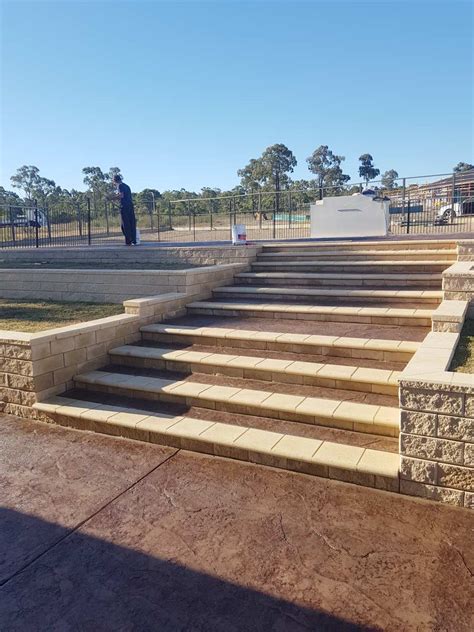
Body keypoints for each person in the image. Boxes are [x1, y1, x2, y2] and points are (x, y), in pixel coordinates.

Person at [113, 174, 137, 245]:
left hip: (124, 207)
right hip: (130, 206)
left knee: (125, 224)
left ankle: (128, 241)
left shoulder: (120, 186)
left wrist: (111, 198)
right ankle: (133, 240)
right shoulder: (127, 186)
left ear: (115, 180)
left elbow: (121, 195)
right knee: (131, 223)